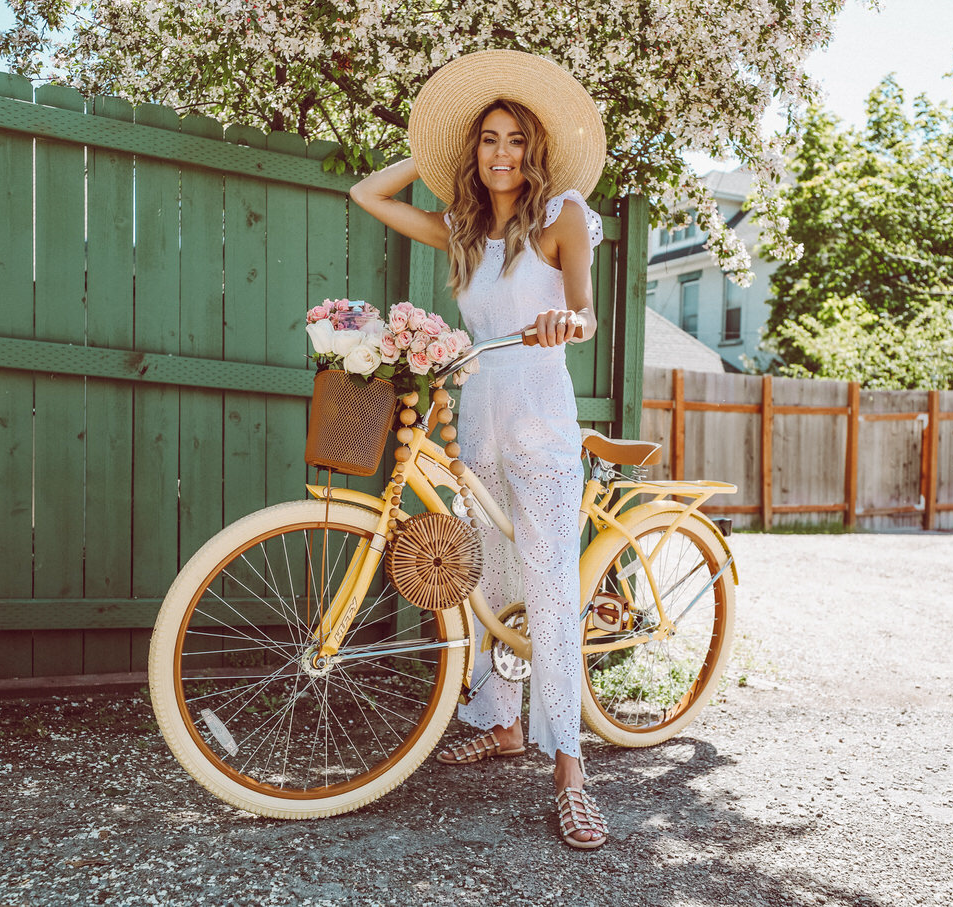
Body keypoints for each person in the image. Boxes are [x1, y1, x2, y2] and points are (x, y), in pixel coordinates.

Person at [349, 49, 609, 850]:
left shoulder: (563, 213)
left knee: (550, 591)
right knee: (489, 578)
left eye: (514, 140)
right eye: (488, 139)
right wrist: (432, 152)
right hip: (481, 415)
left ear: (534, 152)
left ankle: (569, 764)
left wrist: (568, 322)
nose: (501, 153)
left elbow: (587, 312)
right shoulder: (464, 232)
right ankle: (502, 726)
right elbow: (368, 193)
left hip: (540, 414)